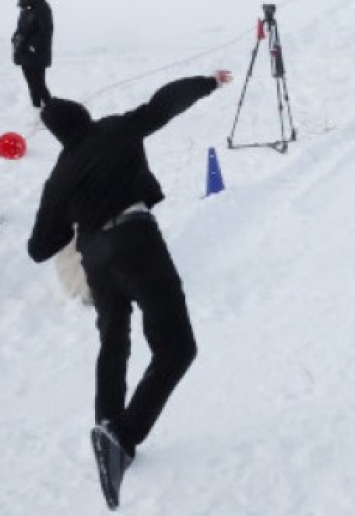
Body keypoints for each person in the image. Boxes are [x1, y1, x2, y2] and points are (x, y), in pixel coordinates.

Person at [27, 71, 232, 511]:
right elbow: (161, 106)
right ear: (85, 115)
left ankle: (106, 425)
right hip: (134, 239)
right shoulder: (115, 128)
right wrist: (206, 82)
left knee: (113, 341)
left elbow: (39, 248)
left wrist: (70, 210)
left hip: (95, 257)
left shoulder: (59, 175)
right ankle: (122, 436)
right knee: (177, 347)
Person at [12, 0, 54, 108]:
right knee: (31, 85)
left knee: (39, 84)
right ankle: (36, 110)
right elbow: (20, 29)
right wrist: (15, 39)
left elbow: (46, 31)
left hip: (36, 54)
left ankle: (52, 110)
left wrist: (31, 45)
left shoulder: (43, 7)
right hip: (24, 53)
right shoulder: (25, 8)